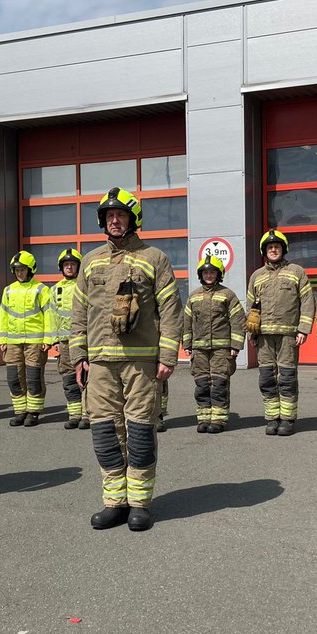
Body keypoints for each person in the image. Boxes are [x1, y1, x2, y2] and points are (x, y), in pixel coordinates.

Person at [71, 187, 181, 532]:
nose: (114, 221)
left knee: (140, 430)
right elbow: (78, 313)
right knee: (105, 431)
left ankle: (140, 504)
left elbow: (171, 310)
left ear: (133, 220)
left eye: (120, 215)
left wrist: (168, 354)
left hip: (141, 361)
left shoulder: (154, 258)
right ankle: (114, 502)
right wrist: (78, 355)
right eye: (108, 216)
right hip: (100, 361)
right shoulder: (90, 262)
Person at [244, 229, 316, 436]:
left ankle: (287, 419)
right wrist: (252, 333)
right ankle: (272, 418)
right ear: (264, 251)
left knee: (286, 377)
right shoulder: (256, 276)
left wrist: (303, 329)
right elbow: (251, 307)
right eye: (269, 247)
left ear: (283, 249)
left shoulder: (296, 271)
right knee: (267, 378)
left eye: (276, 247)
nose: (273, 250)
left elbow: (307, 302)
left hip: (288, 336)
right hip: (264, 336)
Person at [182, 253, 245, 433]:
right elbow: (186, 322)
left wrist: (235, 346)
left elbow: (238, 321)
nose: (208, 275)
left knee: (219, 384)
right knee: (202, 384)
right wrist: (187, 345)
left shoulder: (227, 295)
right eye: (205, 272)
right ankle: (203, 418)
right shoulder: (193, 296)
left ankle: (218, 419)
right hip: (199, 349)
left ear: (219, 274)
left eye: (212, 272)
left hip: (221, 349)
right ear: (200, 275)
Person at [0, 250, 55, 427]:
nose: (19, 273)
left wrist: (48, 339)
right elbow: (4, 316)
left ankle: (34, 412)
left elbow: (49, 315)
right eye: (16, 270)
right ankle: (20, 411)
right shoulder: (8, 290)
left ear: (31, 270)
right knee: (13, 378)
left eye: (22, 269)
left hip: (35, 342)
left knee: (33, 377)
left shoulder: (41, 289)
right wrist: (2, 339)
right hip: (13, 342)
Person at [53, 248, 88, 429]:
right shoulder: (55, 289)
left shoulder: (85, 286)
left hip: (83, 339)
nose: (69, 267)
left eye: (72, 264)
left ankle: (86, 414)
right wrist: (54, 341)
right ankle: (74, 414)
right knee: (68, 377)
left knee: (86, 376)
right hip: (64, 341)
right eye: (66, 264)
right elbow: (53, 315)